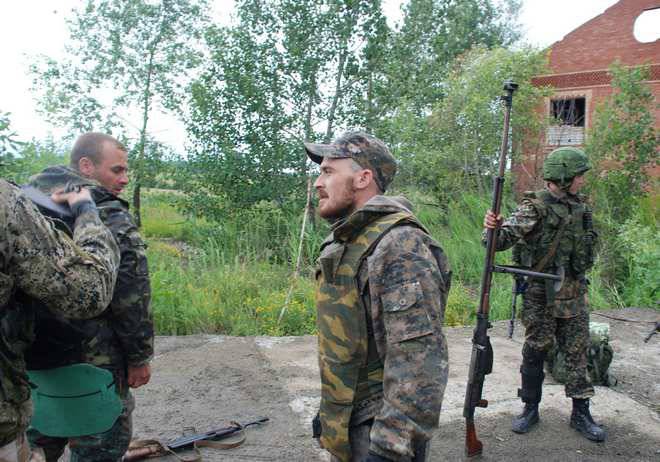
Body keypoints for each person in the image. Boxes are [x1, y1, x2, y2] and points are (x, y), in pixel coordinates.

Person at [305, 131, 451, 462]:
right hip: (351, 420)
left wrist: (388, 448)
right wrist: (330, 410)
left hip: (380, 431)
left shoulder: (400, 245)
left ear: (363, 178)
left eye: (329, 171)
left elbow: (418, 359)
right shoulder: (348, 239)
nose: (318, 182)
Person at [24, 133, 154, 461]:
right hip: (95, 360)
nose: (124, 179)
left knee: (35, 444)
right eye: (117, 170)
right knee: (100, 443)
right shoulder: (110, 214)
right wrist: (139, 356)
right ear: (86, 166)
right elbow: (130, 293)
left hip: (30, 357)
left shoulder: (24, 204)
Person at [483, 147, 605, 441]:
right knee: (537, 347)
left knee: (577, 352)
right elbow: (499, 242)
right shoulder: (534, 207)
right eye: (578, 176)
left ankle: (581, 412)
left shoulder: (581, 207)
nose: (581, 181)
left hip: (574, 292)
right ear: (562, 177)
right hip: (541, 293)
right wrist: (493, 229)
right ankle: (530, 407)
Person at [0, 179, 119, 462]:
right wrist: (86, 210)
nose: (124, 178)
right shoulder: (7, 202)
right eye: (118, 169)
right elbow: (89, 290)